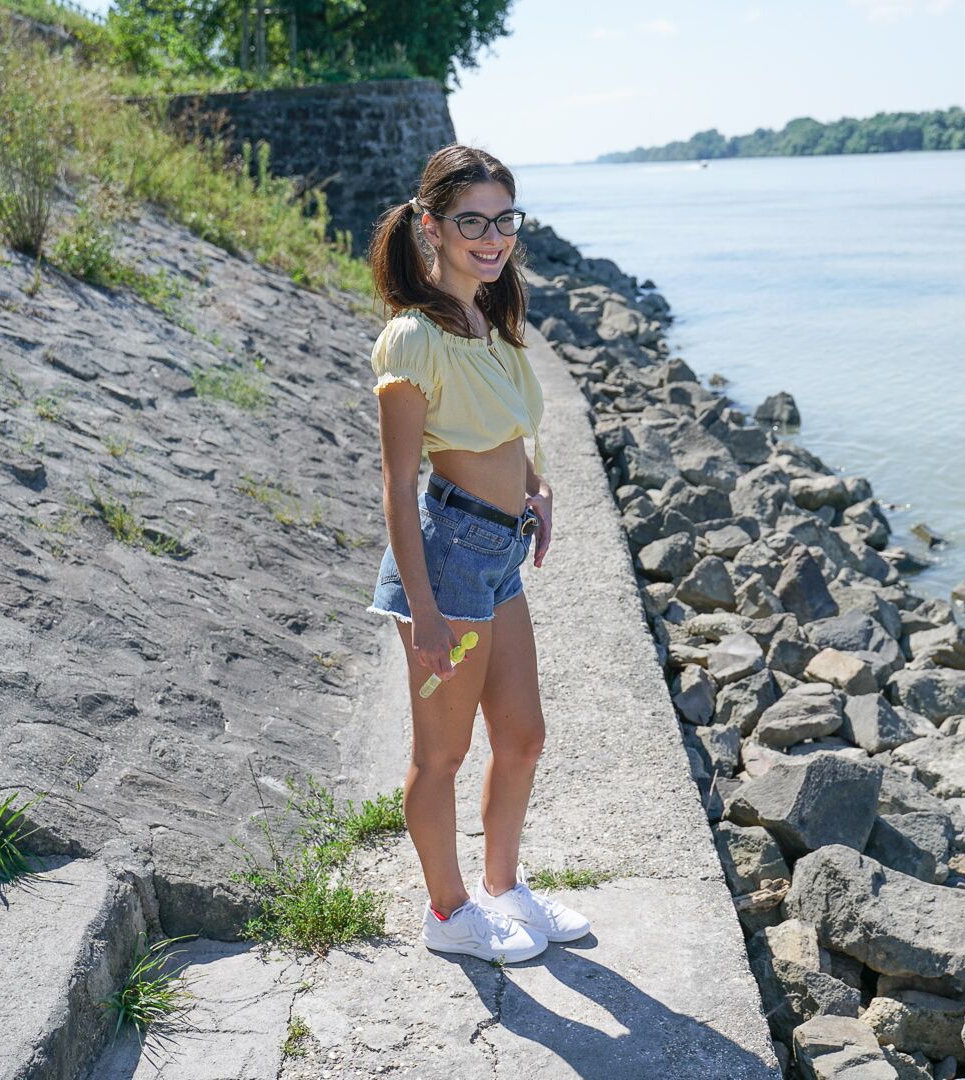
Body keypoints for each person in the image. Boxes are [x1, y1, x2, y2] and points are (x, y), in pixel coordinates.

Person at [363, 144, 591, 963]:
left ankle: (503, 887)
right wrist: (422, 611)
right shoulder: (412, 338)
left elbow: (499, 428)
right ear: (431, 227)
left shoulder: (489, 318)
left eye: (503, 220)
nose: (493, 239)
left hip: (498, 554)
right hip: (449, 558)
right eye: (472, 222)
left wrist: (534, 485)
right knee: (442, 754)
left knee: (523, 737)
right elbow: (398, 486)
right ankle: (448, 912)